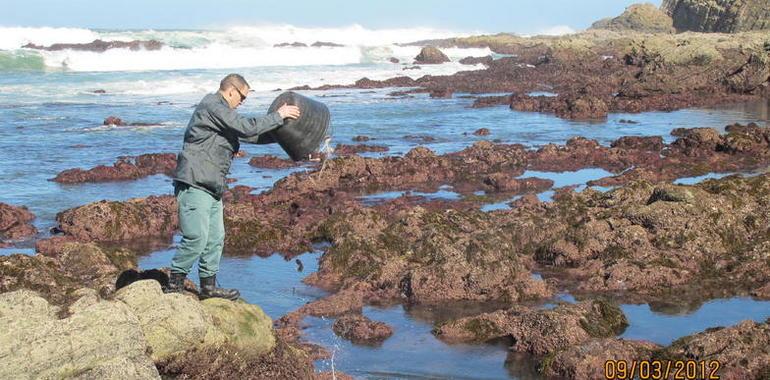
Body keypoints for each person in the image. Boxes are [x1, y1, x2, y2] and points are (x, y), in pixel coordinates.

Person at [165, 73, 300, 300]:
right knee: (196, 238)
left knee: (215, 239)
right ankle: (174, 284)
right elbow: (245, 127)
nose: (243, 102)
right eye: (242, 97)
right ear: (230, 91)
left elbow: (252, 136)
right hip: (194, 182)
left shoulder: (223, 115)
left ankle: (208, 288)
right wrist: (278, 115)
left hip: (212, 185)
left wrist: (285, 133)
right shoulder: (211, 106)